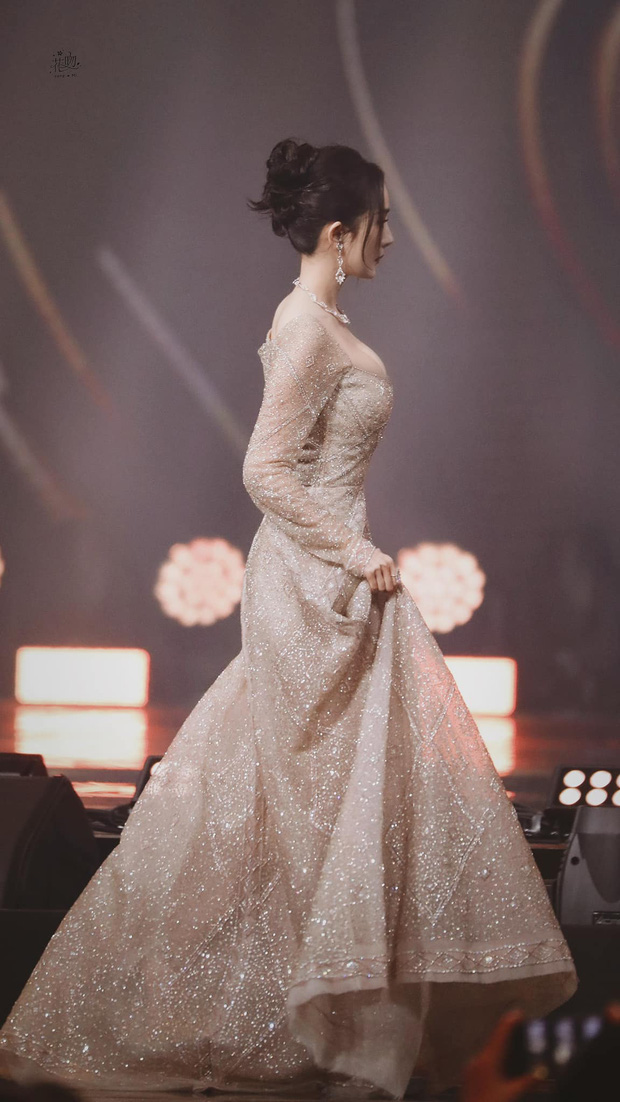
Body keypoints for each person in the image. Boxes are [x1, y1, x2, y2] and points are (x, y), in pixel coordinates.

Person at [0, 138, 577, 1099]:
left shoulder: (322, 320)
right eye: (381, 223)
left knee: (328, 803)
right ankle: (318, 1027)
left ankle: (329, 1028)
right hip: (315, 579)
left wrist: (353, 556)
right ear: (340, 231)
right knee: (315, 805)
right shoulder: (306, 326)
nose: (391, 238)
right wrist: (355, 552)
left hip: (333, 574)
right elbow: (264, 469)